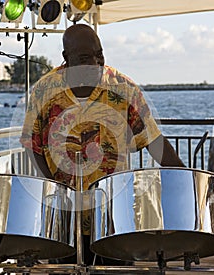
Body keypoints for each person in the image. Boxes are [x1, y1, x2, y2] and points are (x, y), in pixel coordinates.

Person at [20, 23, 185, 268]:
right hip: (66, 213)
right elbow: (32, 147)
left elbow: (153, 140)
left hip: (113, 213)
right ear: (67, 58)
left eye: (100, 54)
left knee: (116, 271)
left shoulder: (122, 88)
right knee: (66, 270)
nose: (96, 62)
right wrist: (56, 191)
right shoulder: (45, 90)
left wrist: (187, 180)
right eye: (86, 57)